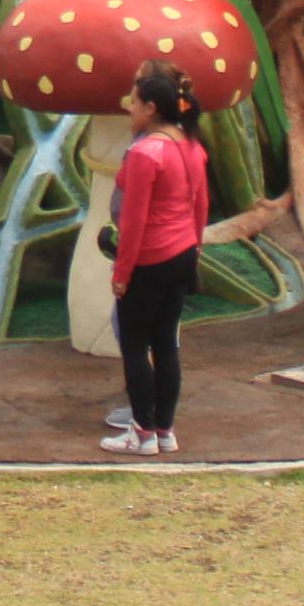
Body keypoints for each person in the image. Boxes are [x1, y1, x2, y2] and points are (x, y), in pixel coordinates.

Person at [99, 63, 209, 459]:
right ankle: (165, 431)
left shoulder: (145, 153)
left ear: (150, 108)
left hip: (149, 259)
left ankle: (142, 433)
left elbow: (134, 220)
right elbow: (201, 205)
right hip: (182, 255)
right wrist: (195, 248)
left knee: (135, 346)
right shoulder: (192, 146)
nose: (129, 109)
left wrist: (121, 273)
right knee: (166, 344)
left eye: (134, 102)